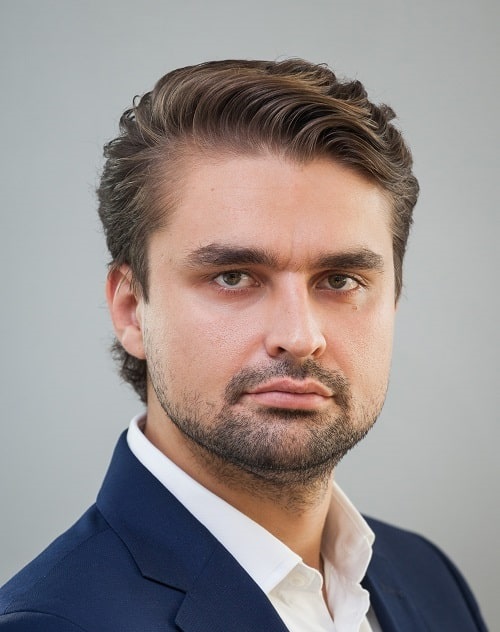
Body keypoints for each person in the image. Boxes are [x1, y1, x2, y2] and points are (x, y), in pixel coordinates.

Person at [0, 59, 487, 632]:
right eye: (233, 277)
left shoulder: (431, 579)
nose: (299, 337)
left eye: (340, 280)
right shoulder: (50, 622)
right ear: (131, 309)